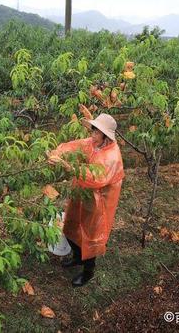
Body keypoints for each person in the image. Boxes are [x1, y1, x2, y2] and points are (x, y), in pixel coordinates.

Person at [47, 113, 125, 287]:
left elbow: (95, 178)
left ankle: (88, 272)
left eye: (97, 132)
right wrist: (56, 153)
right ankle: (77, 258)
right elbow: (73, 147)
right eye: (93, 130)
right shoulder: (93, 144)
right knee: (72, 223)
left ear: (106, 135)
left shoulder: (111, 156)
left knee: (91, 235)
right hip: (82, 191)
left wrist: (67, 165)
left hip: (100, 200)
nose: (92, 135)